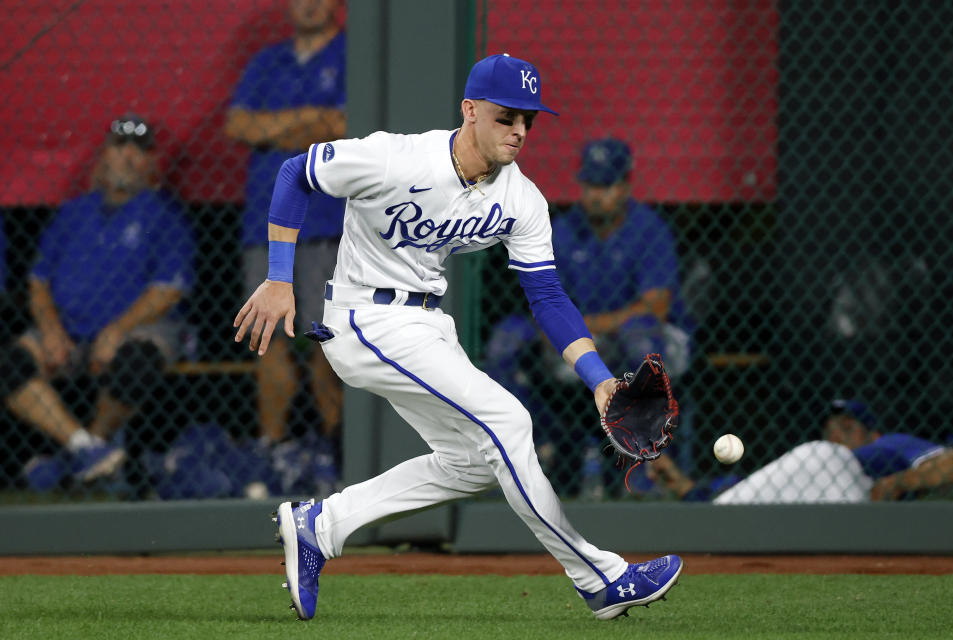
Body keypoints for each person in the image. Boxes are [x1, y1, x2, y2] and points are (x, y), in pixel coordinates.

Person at [234, 53, 684, 621]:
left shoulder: (522, 199)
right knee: (509, 423)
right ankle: (601, 579)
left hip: (425, 323)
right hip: (364, 319)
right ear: (470, 111)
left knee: (473, 462)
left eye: (529, 120)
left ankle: (321, 525)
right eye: (506, 117)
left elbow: (546, 297)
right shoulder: (397, 157)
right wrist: (278, 278)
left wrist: (598, 381)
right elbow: (294, 173)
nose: (519, 131)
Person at [485, 137, 694, 498]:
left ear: (625, 185)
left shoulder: (648, 229)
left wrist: (584, 328)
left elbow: (654, 308)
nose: (596, 195)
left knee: (639, 335)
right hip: (583, 339)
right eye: (590, 185)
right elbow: (542, 301)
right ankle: (524, 458)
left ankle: (650, 463)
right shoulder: (564, 230)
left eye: (606, 185)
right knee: (508, 339)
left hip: (651, 340)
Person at [0, 114, 195, 486]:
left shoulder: (165, 215)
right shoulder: (73, 213)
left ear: (152, 163)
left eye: (138, 150)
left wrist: (118, 329)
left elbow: (170, 289)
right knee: (9, 363)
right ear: (104, 155)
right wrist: (51, 330)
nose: (126, 156)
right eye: (119, 146)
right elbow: (38, 282)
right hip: (69, 330)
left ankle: (89, 450)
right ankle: (86, 448)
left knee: (137, 362)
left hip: (138, 330)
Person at [224, 0, 347, 481]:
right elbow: (237, 125)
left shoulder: (352, 54)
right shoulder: (266, 60)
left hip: (328, 221)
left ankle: (338, 451)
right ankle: (271, 449)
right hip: (264, 222)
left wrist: (273, 128)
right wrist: (308, 121)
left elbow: (346, 125)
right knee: (266, 336)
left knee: (326, 338)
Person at [647, 398, 953, 503]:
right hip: (822, 498)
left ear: (872, 433)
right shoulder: (813, 458)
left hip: (853, 493)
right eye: (830, 430)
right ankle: (690, 492)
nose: (837, 436)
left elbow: (952, 464)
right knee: (736, 501)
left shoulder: (890, 443)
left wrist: (897, 483)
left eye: (848, 429)